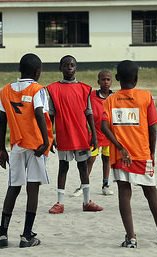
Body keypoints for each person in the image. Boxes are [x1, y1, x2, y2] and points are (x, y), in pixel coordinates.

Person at [101, 60, 157, 248]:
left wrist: (119, 146)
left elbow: (103, 126)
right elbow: (153, 129)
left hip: (120, 156)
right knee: (151, 192)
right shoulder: (145, 96)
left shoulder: (110, 100)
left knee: (124, 192)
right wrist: (152, 153)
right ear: (136, 78)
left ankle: (131, 238)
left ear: (117, 78)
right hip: (141, 154)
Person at [0, 53, 53, 248]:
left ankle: (2, 233)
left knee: (13, 187)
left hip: (16, 146)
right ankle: (26, 235)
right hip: (36, 146)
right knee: (33, 189)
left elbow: (1, 120)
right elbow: (39, 113)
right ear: (38, 71)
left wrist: (1, 149)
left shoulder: (5, 91)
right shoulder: (37, 89)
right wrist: (46, 141)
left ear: (19, 70)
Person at [47, 55, 103, 214]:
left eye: (72, 65)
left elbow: (89, 113)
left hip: (81, 135)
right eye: (66, 65)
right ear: (60, 68)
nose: (69, 67)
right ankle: (60, 203)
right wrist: (50, 135)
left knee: (83, 167)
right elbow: (50, 115)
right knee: (63, 167)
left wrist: (93, 134)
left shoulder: (85, 89)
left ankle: (87, 201)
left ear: (76, 67)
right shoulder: (53, 89)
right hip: (64, 135)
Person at [72, 70, 114, 196]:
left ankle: (105, 185)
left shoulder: (114, 98)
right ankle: (82, 186)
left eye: (108, 79)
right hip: (95, 134)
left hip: (109, 134)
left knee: (107, 159)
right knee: (90, 159)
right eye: (103, 79)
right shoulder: (91, 96)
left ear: (111, 82)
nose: (105, 82)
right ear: (98, 81)